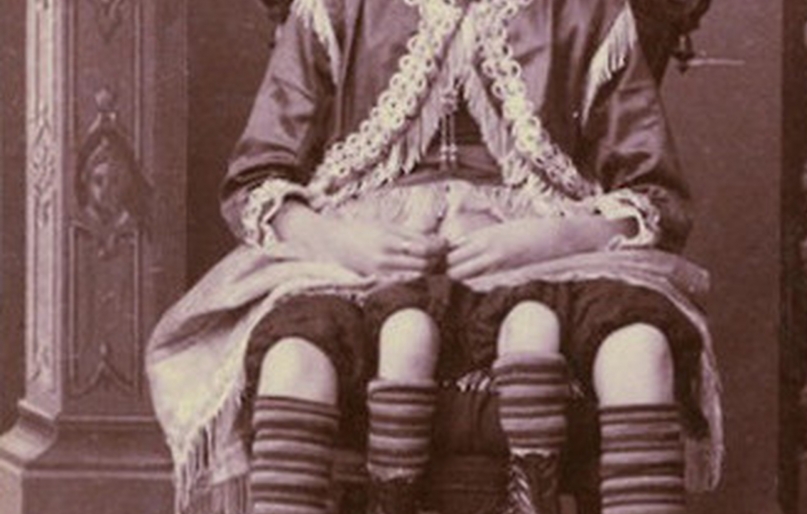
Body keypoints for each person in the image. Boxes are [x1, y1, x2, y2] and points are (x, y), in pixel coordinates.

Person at [145, 0, 722, 513]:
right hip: (366, 257)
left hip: (543, 253)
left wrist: (547, 239)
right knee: (294, 360)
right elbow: (256, 181)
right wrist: (345, 242)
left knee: (640, 349)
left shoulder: (584, 10)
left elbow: (655, 197)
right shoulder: (336, 8)